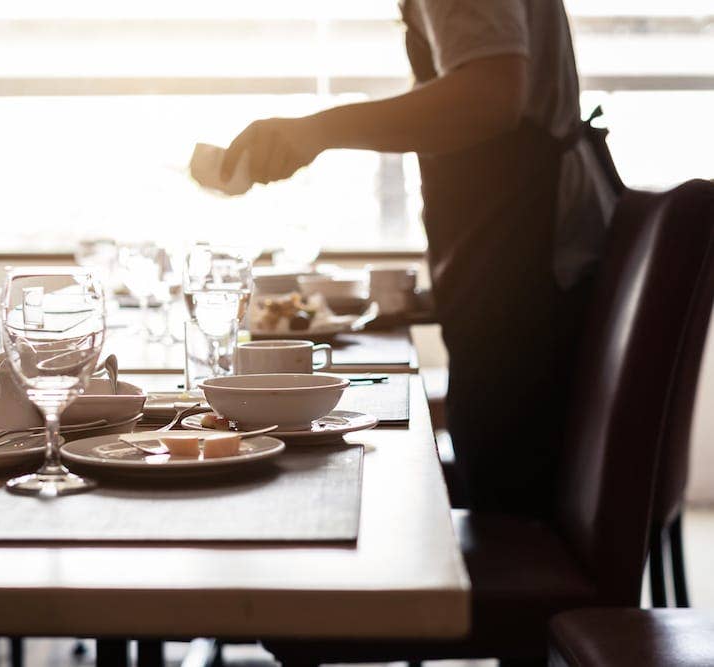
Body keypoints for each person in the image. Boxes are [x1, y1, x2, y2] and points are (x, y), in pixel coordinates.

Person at [221, 1, 616, 517]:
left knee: (497, 500)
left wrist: (316, 131)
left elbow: (491, 93)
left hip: (536, 269)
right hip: (527, 255)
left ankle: (487, 600)